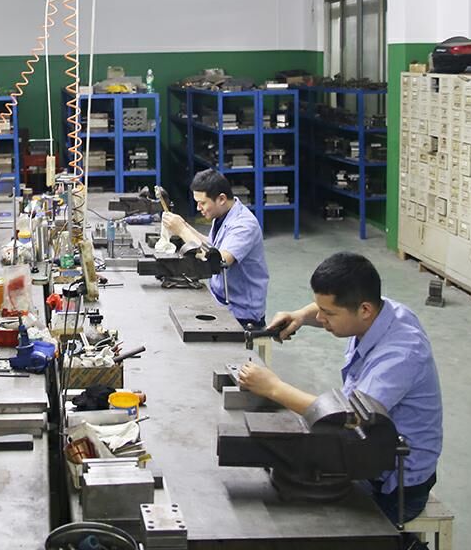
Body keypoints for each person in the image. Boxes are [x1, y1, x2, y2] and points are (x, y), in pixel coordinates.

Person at [237, 251, 443, 528]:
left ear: (365, 310)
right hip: (369, 450)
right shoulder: (384, 312)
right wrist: (300, 316)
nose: (320, 317)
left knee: (302, 519)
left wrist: (273, 388)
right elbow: (334, 308)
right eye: (319, 308)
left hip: (393, 487)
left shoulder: (401, 354)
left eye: (328, 313)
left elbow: (346, 417)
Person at [161, 169, 268, 328]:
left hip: (243, 315)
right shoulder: (223, 215)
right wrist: (183, 226)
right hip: (220, 301)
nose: (198, 208)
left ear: (221, 199)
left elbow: (217, 261)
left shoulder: (244, 225)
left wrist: (182, 231)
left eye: (202, 203)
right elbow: (210, 246)